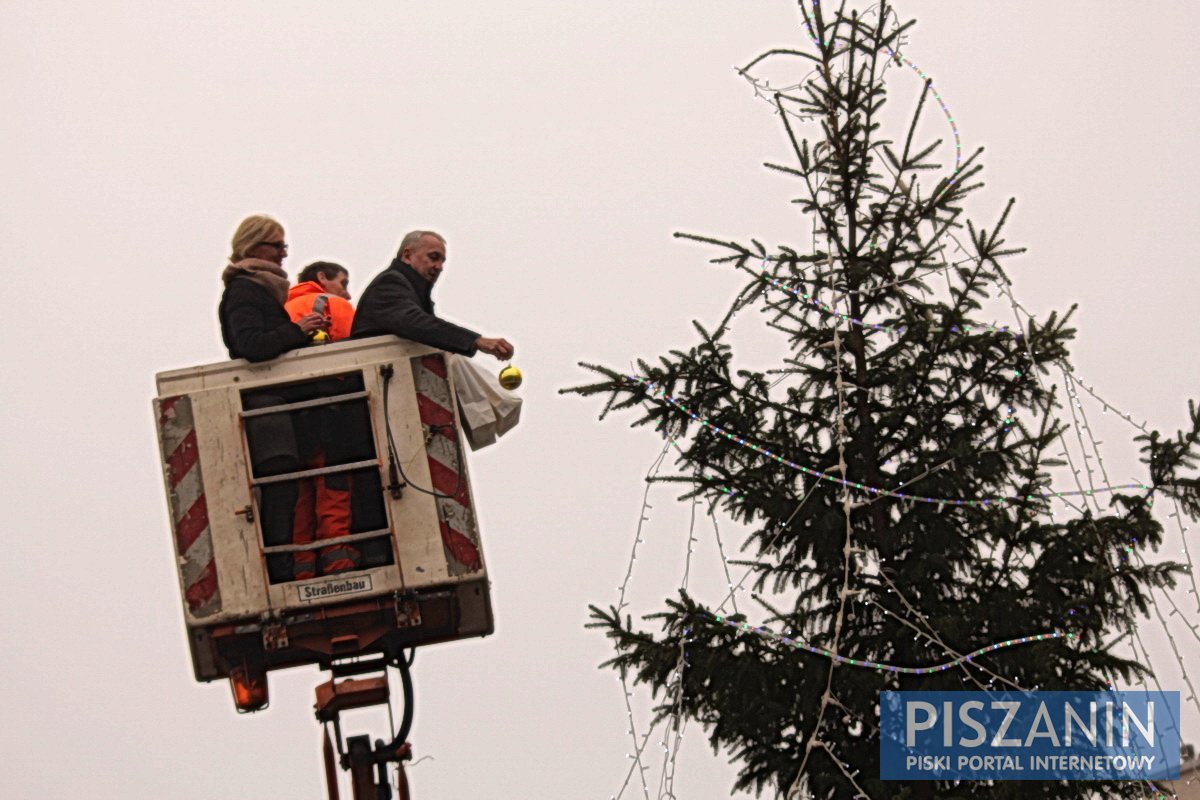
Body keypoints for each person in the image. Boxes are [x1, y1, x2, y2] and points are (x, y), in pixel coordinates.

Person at [351, 230, 514, 359]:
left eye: (442, 261)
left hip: (393, 371)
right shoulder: (389, 284)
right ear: (407, 256)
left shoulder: (410, 290)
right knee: (458, 365)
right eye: (434, 257)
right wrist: (474, 341)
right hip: (382, 370)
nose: (440, 267)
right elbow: (415, 322)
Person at [218, 215, 327, 361]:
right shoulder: (244, 289)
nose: (284, 253)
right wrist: (298, 329)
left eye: (284, 246)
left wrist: (308, 333)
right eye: (277, 246)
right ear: (251, 248)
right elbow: (251, 345)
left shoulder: (258, 288)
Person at [285, 261, 357, 342]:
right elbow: (349, 346)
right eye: (343, 284)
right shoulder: (335, 301)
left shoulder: (282, 307)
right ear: (322, 278)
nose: (348, 296)